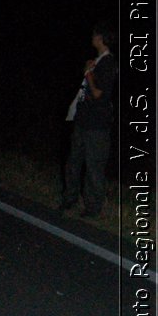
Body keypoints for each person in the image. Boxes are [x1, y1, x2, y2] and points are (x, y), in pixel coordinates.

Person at [61, 21, 116, 219]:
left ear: (101, 38)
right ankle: (70, 198)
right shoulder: (98, 61)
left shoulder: (108, 63)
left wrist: (89, 73)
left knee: (94, 166)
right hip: (83, 121)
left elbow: (99, 93)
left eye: (94, 35)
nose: (92, 38)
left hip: (96, 126)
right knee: (74, 162)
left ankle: (93, 207)